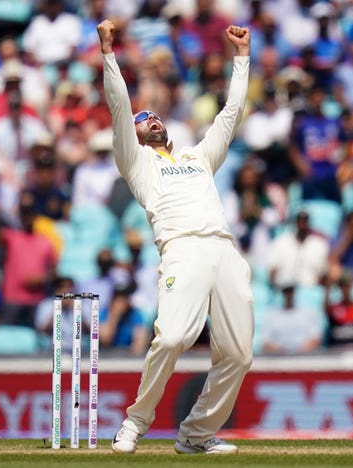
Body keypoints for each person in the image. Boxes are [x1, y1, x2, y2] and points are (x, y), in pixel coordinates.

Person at [97, 19, 253, 455]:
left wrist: (241, 58)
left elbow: (230, 114)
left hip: (224, 248)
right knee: (171, 338)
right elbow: (118, 106)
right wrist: (109, 53)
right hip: (182, 248)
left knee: (239, 355)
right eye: (143, 120)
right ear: (134, 135)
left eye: (156, 117)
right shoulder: (137, 164)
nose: (153, 121)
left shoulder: (197, 157)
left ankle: (196, 435)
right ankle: (134, 423)